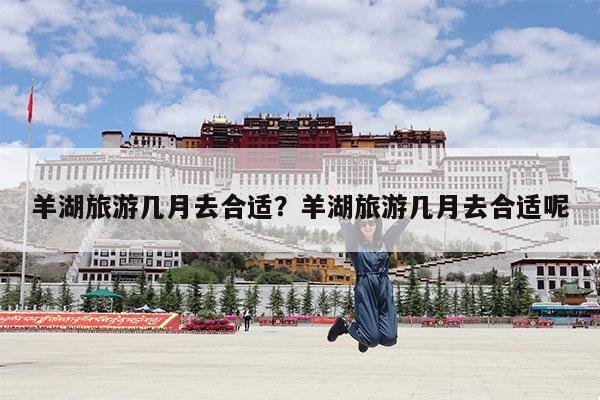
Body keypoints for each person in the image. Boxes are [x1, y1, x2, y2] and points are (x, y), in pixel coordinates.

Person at [328, 216, 409, 353]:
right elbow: (346, 227)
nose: (367, 226)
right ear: (358, 226)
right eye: (363, 223)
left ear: (377, 224)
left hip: (384, 288)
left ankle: (363, 333)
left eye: (371, 223)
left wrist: (408, 213)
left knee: (390, 339)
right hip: (365, 289)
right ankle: (344, 324)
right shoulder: (355, 244)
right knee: (371, 340)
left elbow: (398, 228)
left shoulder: (385, 242)